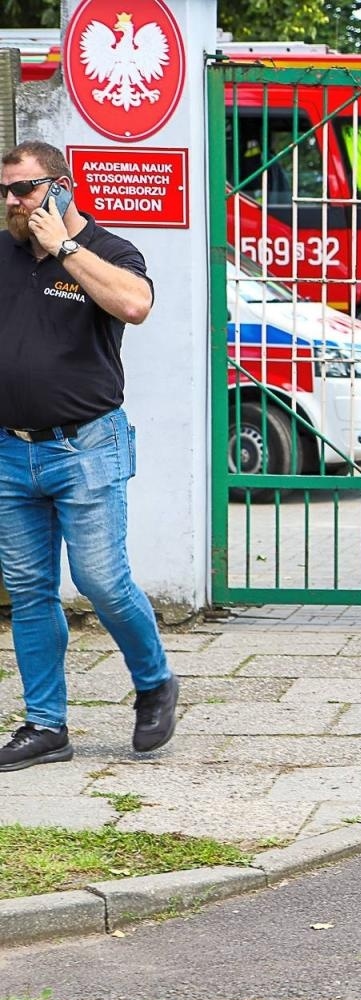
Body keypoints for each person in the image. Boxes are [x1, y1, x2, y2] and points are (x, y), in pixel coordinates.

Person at [0, 140, 177, 772]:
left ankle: (154, 682)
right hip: (10, 450)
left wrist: (65, 249)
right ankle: (46, 725)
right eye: (5, 191)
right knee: (29, 590)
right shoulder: (3, 254)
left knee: (101, 580)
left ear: (62, 185)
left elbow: (135, 305)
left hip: (87, 446)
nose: (14, 202)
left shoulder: (109, 250)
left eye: (25, 189)